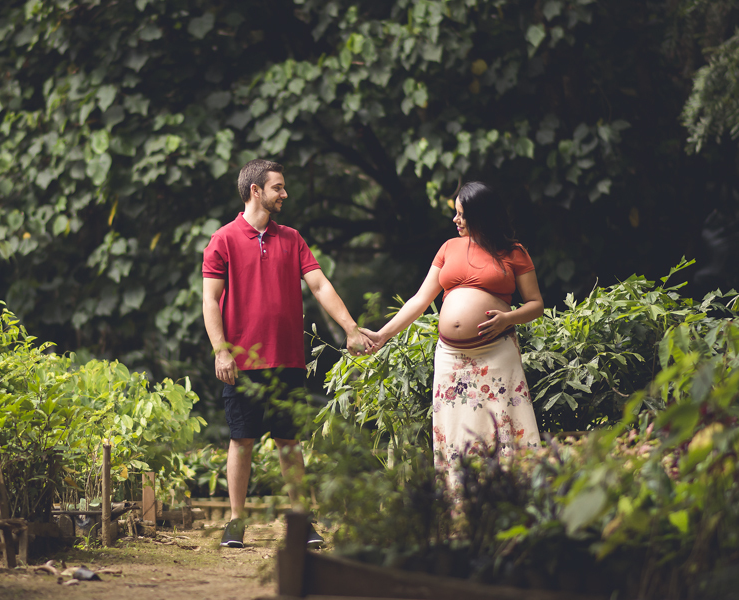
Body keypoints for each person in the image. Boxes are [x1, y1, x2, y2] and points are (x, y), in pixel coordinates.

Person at [202, 159, 373, 548]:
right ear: (255, 191)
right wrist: (221, 351)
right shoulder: (223, 239)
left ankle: (301, 521)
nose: (285, 194)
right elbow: (210, 301)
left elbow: (320, 286)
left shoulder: (292, 238)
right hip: (242, 362)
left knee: (289, 442)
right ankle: (235, 522)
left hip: (288, 358)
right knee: (241, 440)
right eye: (278, 187)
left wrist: (350, 328)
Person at [361, 181, 543, 483]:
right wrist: (382, 335)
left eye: (461, 214)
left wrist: (508, 318)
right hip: (451, 359)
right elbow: (421, 300)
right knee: (457, 435)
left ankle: (510, 505)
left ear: (480, 215)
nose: (455, 220)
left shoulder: (513, 252)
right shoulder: (448, 248)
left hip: (496, 355)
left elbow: (536, 304)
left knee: (503, 430)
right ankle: (460, 509)